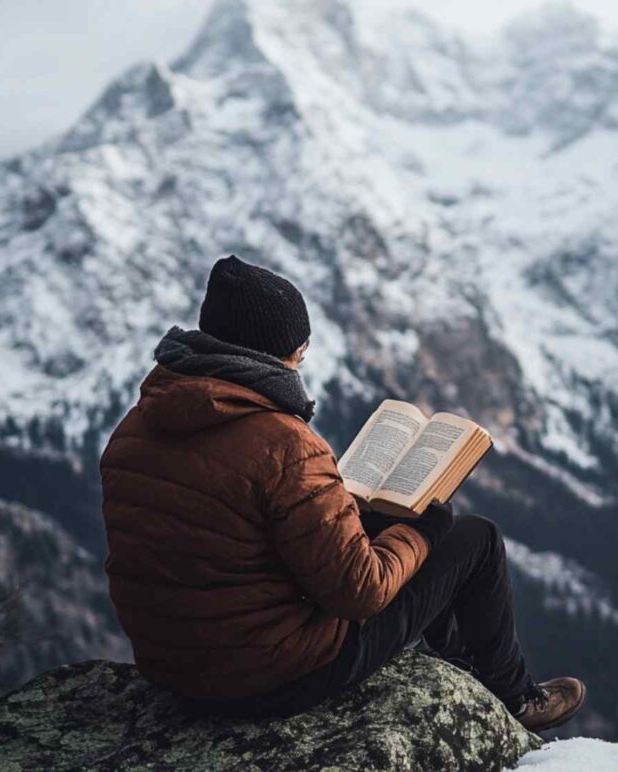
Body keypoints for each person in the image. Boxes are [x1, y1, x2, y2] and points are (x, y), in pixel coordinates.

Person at [99, 254, 586, 731]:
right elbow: (361, 592)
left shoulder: (135, 428)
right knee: (475, 539)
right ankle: (515, 698)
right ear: (273, 354)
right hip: (272, 678)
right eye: (300, 349)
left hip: (174, 669)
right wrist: (423, 534)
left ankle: (460, 661)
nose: (301, 360)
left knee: (378, 526)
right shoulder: (283, 443)